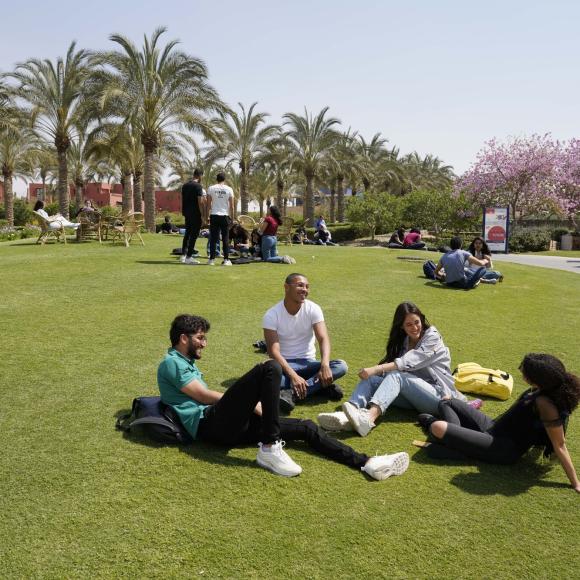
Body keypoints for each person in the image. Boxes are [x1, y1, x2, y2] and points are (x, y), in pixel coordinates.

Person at [157, 314, 410, 480]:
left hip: (227, 427)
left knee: (306, 427)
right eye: (200, 338)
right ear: (183, 338)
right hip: (208, 426)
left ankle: (368, 463)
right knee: (269, 367)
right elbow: (202, 396)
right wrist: (249, 404)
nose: (204, 344)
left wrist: (252, 408)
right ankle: (269, 447)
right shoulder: (172, 362)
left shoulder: (185, 362)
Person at [419, 353, 580, 492]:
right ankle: (457, 443)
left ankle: (456, 444)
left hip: (501, 447)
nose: (521, 371)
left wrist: (576, 483)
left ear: (538, 379)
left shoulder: (547, 405)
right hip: (493, 427)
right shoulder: (538, 389)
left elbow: (559, 444)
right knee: (447, 402)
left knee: (437, 426)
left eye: (526, 370)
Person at [318, 302, 469, 436]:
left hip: (440, 397)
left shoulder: (432, 336)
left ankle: (368, 419)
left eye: (417, 322)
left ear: (422, 320)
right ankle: (348, 413)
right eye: (409, 324)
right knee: (373, 379)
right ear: (401, 326)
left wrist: (377, 368)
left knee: (397, 375)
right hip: (415, 396)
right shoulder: (405, 341)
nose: (415, 327)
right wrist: (375, 373)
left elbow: (409, 361)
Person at [263, 273, 347, 413]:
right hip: (285, 366)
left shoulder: (313, 308)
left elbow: (323, 338)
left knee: (341, 366)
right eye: (300, 285)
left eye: (307, 287)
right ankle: (319, 386)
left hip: (308, 363)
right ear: (286, 287)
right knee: (267, 380)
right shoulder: (271, 315)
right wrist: (293, 376)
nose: (305, 290)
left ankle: (293, 394)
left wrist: (325, 365)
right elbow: (273, 352)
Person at [207, 173, 234, 266]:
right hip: (224, 216)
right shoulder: (229, 189)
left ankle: (211, 260)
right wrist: (232, 218)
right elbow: (232, 206)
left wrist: (207, 216)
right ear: (224, 179)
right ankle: (226, 260)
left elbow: (208, 204)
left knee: (213, 238)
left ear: (216, 179)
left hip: (214, 215)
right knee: (225, 238)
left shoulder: (211, 188)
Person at [181, 168, 206, 265]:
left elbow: (182, 199)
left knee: (187, 234)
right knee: (194, 235)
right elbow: (200, 202)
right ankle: (189, 257)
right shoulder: (198, 186)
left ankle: (183, 255)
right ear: (200, 176)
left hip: (186, 212)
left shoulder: (185, 185)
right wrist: (203, 215)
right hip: (195, 213)